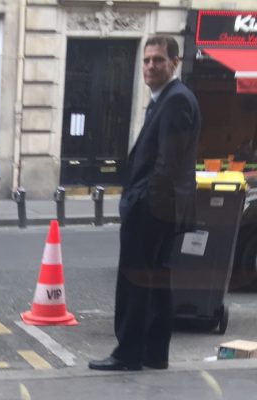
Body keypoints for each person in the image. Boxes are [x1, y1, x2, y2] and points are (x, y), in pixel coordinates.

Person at [89, 36, 200, 371]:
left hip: (153, 212)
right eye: (147, 60)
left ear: (174, 63)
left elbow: (168, 163)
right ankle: (154, 354)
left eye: (159, 60)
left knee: (135, 283)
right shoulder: (166, 98)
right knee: (155, 283)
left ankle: (128, 354)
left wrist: (139, 203)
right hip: (162, 210)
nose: (151, 66)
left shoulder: (175, 101)